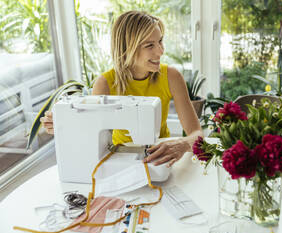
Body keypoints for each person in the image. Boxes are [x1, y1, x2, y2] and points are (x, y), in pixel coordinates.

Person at [41, 11, 202, 167]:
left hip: (162, 158)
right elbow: (92, 136)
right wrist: (65, 125)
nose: (161, 51)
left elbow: (196, 133)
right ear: (127, 48)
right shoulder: (105, 84)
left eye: (160, 41)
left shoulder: (171, 77)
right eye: (149, 45)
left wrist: (181, 145)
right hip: (119, 158)